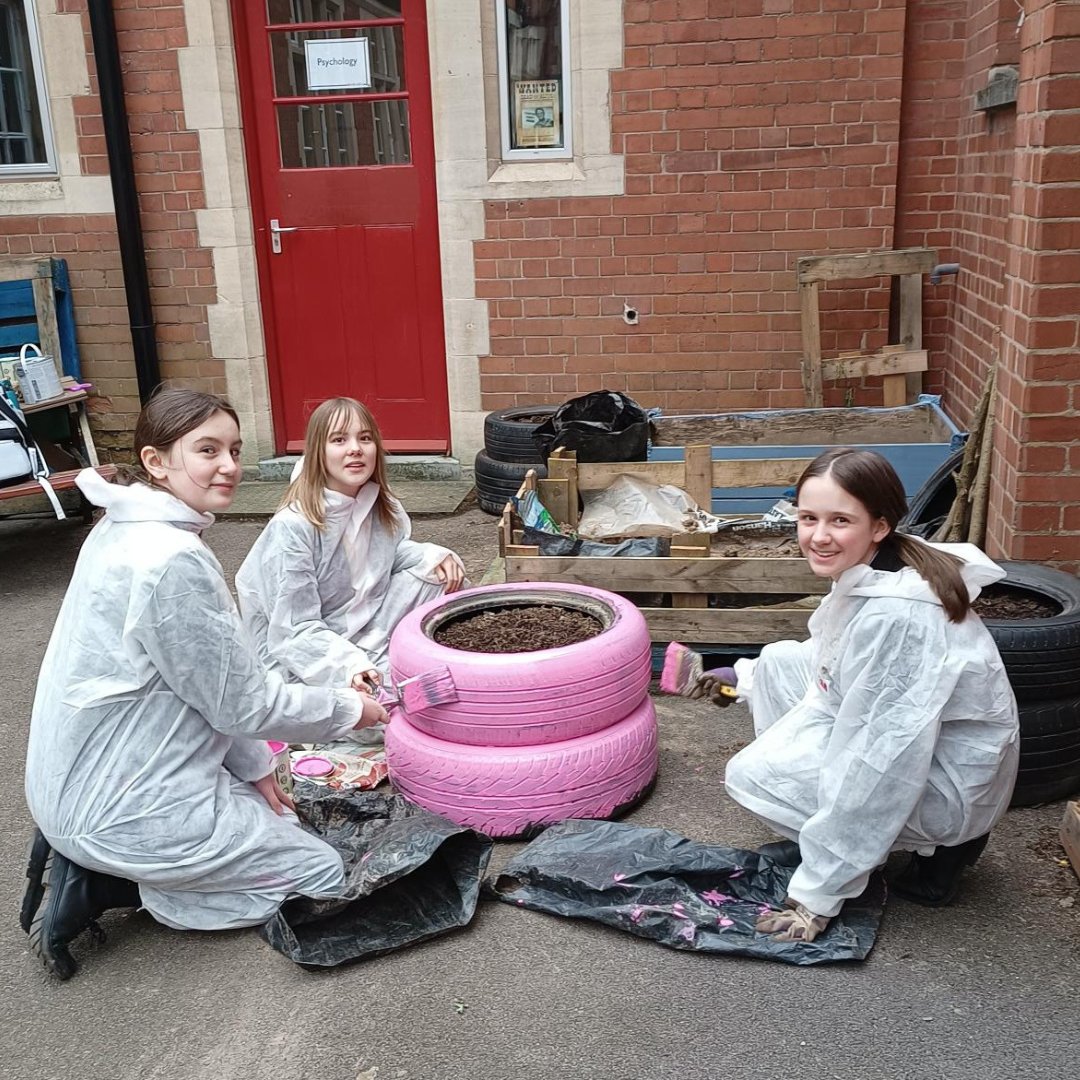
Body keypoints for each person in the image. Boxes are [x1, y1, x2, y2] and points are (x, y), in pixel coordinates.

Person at [21, 388, 387, 980]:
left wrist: (258, 771)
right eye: (208, 450)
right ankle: (117, 884)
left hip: (86, 779)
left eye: (235, 449)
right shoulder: (170, 559)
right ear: (156, 461)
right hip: (122, 806)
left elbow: (210, 681)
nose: (229, 466)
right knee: (321, 872)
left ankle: (121, 863)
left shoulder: (122, 527)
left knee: (282, 818)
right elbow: (245, 700)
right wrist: (351, 708)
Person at [701, 447, 1019, 943]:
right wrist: (746, 676)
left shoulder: (899, 618)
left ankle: (929, 852)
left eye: (839, 520)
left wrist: (816, 897)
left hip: (949, 788)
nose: (819, 536)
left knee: (754, 774)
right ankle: (831, 838)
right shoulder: (879, 567)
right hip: (935, 754)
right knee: (783, 661)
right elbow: (834, 658)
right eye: (808, 517)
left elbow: (879, 763)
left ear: (879, 525)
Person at [235, 397, 465, 704]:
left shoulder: (380, 506)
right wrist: (350, 667)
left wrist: (432, 555)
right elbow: (293, 630)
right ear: (319, 451)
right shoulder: (293, 527)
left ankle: (435, 667)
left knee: (440, 579)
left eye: (365, 438)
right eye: (339, 439)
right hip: (307, 659)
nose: (355, 448)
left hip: (367, 629)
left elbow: (389, 557)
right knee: (383, 712)